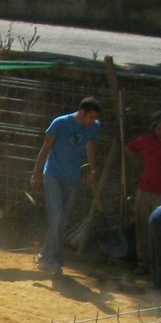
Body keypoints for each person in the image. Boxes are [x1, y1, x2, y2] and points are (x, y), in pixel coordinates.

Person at [31, 98, 104, 276]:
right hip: (53, 175)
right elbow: (45, 148)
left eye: (95, 117)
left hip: (73, 178)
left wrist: (93, 170)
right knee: (55, 219)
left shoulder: (93, 126)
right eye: (91, 116)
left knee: (61, 222)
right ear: (82, 112)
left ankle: (45, 257)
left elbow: (91, 147)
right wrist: (36, 173)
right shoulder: (60, 123)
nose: (93, 120)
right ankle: (54, 260)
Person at [128, 113, 161, 278]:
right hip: (145, 190)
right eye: (158, 128)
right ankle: (143, 265)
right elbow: (129, 148)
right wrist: (141, 159)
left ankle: (160, 268)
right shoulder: (145, 141)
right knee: (142, 227)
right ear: (153, 129)